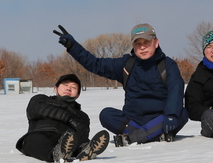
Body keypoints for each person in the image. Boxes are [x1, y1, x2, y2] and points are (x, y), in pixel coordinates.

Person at [54, 23, 189, 146]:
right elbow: (96, 64)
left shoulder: (167, 65)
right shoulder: (126, 65)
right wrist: (73, 47)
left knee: (181, 113)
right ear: (133, 46)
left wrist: (171, 115)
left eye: (146, 42)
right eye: (138, 43)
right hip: (133, 121)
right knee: (106, 115)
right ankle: (153, 135)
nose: (142, 47)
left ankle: (134, 137)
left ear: (156, 42)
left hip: (160, 119)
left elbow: (176, 91)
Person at [16, 73, 110, 163]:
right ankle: (56, 154)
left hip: (68, 140)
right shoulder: (41, 99)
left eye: (74, 87)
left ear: (78, 95)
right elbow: (34, 110)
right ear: (55, 88)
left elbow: (82, 133)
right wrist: (69, 118)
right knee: (35, 140)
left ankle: (85, 150)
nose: (69, 88)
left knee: (79, 141)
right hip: (43, 133)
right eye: (65, 85)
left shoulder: (82, 116)